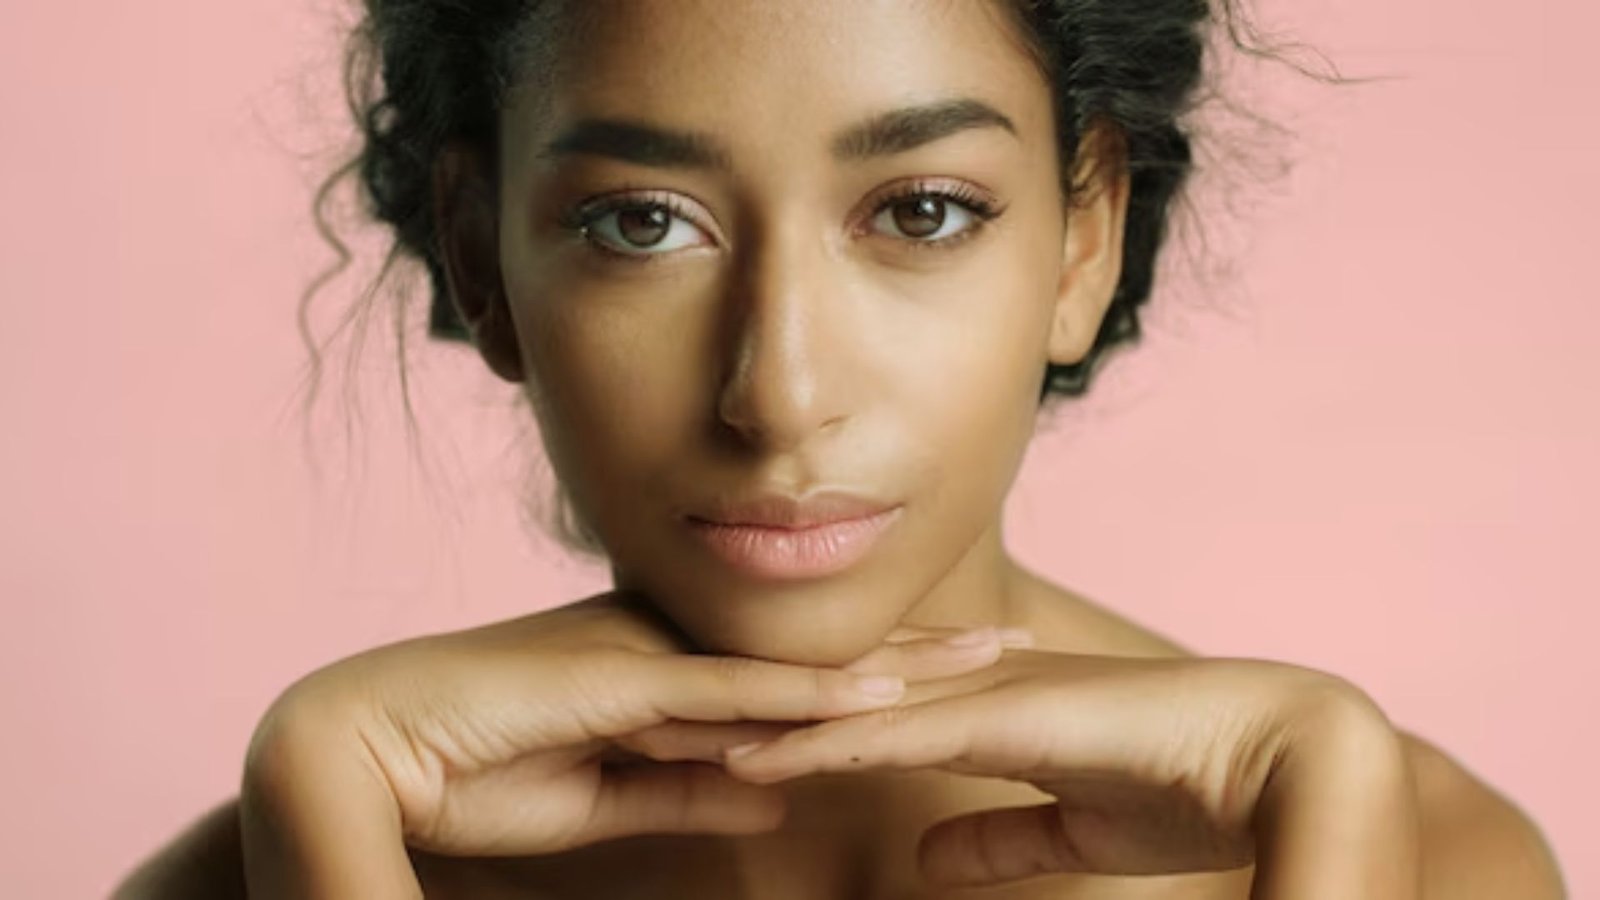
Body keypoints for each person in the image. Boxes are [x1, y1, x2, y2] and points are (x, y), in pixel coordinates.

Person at [114, 1, 1566, 897]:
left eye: (921, 210)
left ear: (1087, 239)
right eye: (642, 221)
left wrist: (1333, 842)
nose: (780, 391)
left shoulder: (1416, 857)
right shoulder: (277, 868)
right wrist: (327, 824)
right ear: (480, 261)